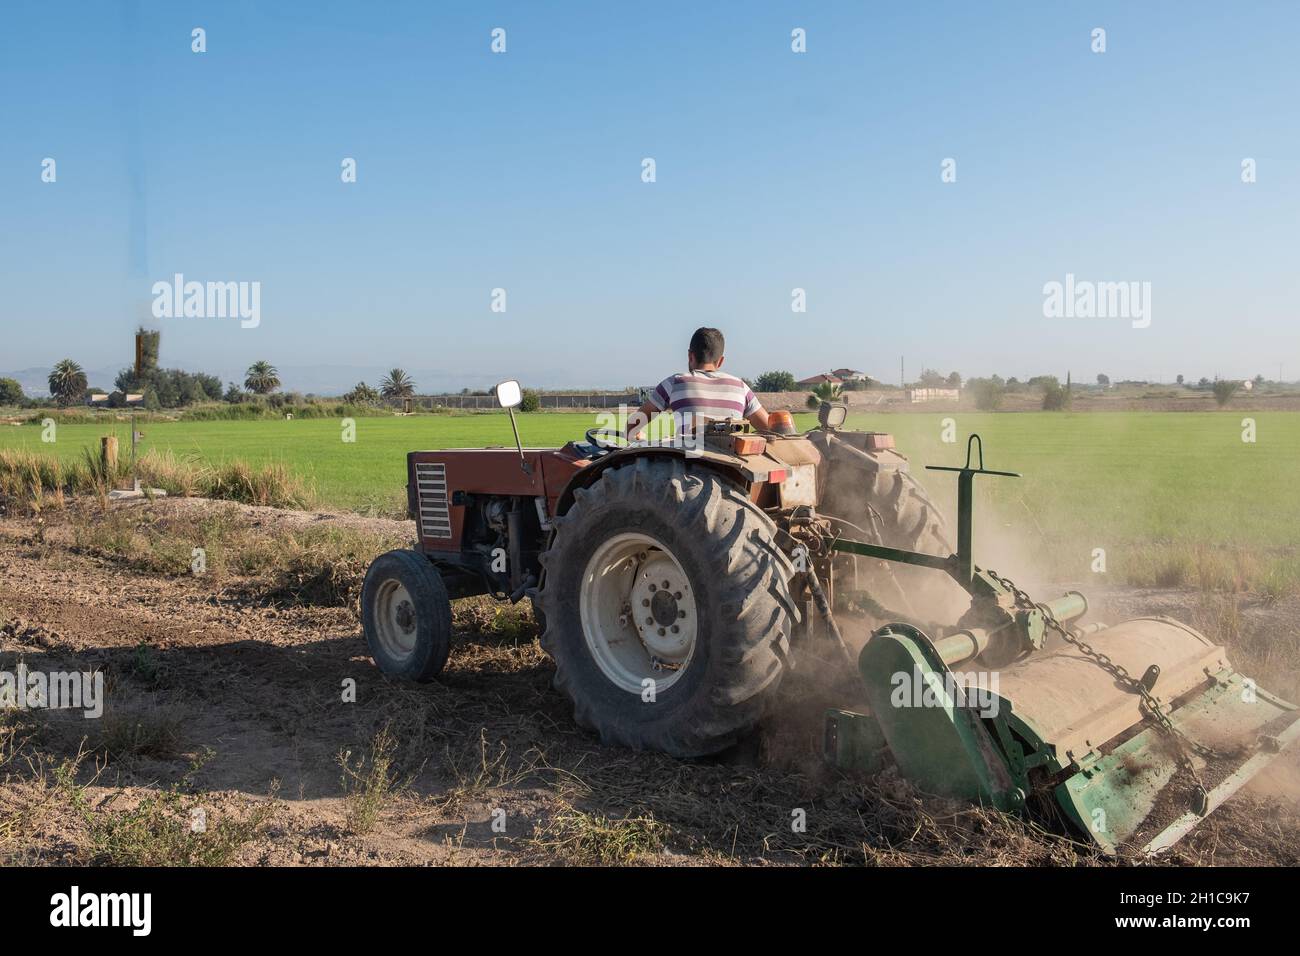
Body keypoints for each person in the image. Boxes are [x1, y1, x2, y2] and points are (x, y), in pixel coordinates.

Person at [628, 327, 770, 441]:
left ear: (690, 356)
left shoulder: (674, 383)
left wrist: (639, 436)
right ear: (720, 361)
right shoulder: (741, 387)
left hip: (688, 466)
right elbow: (771, 429)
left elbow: (631, 427)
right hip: (734, 468)